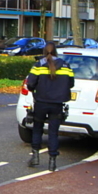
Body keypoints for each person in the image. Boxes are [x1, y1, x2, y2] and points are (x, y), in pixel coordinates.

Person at [26, 42, 75, 171]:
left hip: (41, 102)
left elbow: (30, 84)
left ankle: (35, 157)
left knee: (37, 129)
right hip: (57, 104)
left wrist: (38, 89)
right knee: (53, 133)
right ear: (56, 51)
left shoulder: (38, 65)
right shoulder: (65, 65)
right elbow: (71, 84)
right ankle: (52, 162)